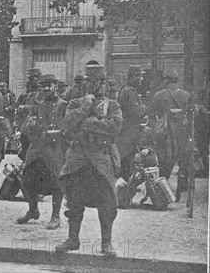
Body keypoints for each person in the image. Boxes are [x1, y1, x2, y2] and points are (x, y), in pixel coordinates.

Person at [56, 65, 122, 257]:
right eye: (89, 81)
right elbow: (67, 125)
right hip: (78, 159)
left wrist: (90, 124)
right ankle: (73, 239)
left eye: (97, 82)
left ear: (103, 83)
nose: (93, 85)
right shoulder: (76, 103)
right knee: (74, 201)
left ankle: (106, 242)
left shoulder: (113, 105)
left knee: (106, 202)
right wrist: (86, 106)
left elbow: (115, 127)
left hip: (100, 159)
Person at [16, 74, 67, 230]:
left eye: (49, 86)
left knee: (57, 182)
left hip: (53, 149)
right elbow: (26, 126)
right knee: (27, 180)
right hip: (36, 149)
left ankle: (55, 216)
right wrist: (29, 125)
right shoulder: (37, 105)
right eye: (43, 86)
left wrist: (55, 134)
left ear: (55, 86)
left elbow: (68, 128)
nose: (46, 89)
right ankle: (33, 210)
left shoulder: (63, 105)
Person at [147, 69, 195, 201]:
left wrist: (158, 125)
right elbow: (192, 117)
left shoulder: (159, 95)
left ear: (166, 80)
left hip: (165, 134)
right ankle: (179, 192)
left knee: (164, 162)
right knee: (182, 162)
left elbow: (151, 114)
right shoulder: (186, 95)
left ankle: (163, 190)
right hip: (182, 133)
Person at [116, 66, 148, 180]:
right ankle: (123, 197)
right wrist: (145, 108)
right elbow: (137, 112)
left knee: (127, 172)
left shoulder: (125, 89)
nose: (141, 79)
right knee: (127, 173)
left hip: (126, 136)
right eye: (139, 76)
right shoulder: (129, 91)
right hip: (128, 137)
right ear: (132, 77)